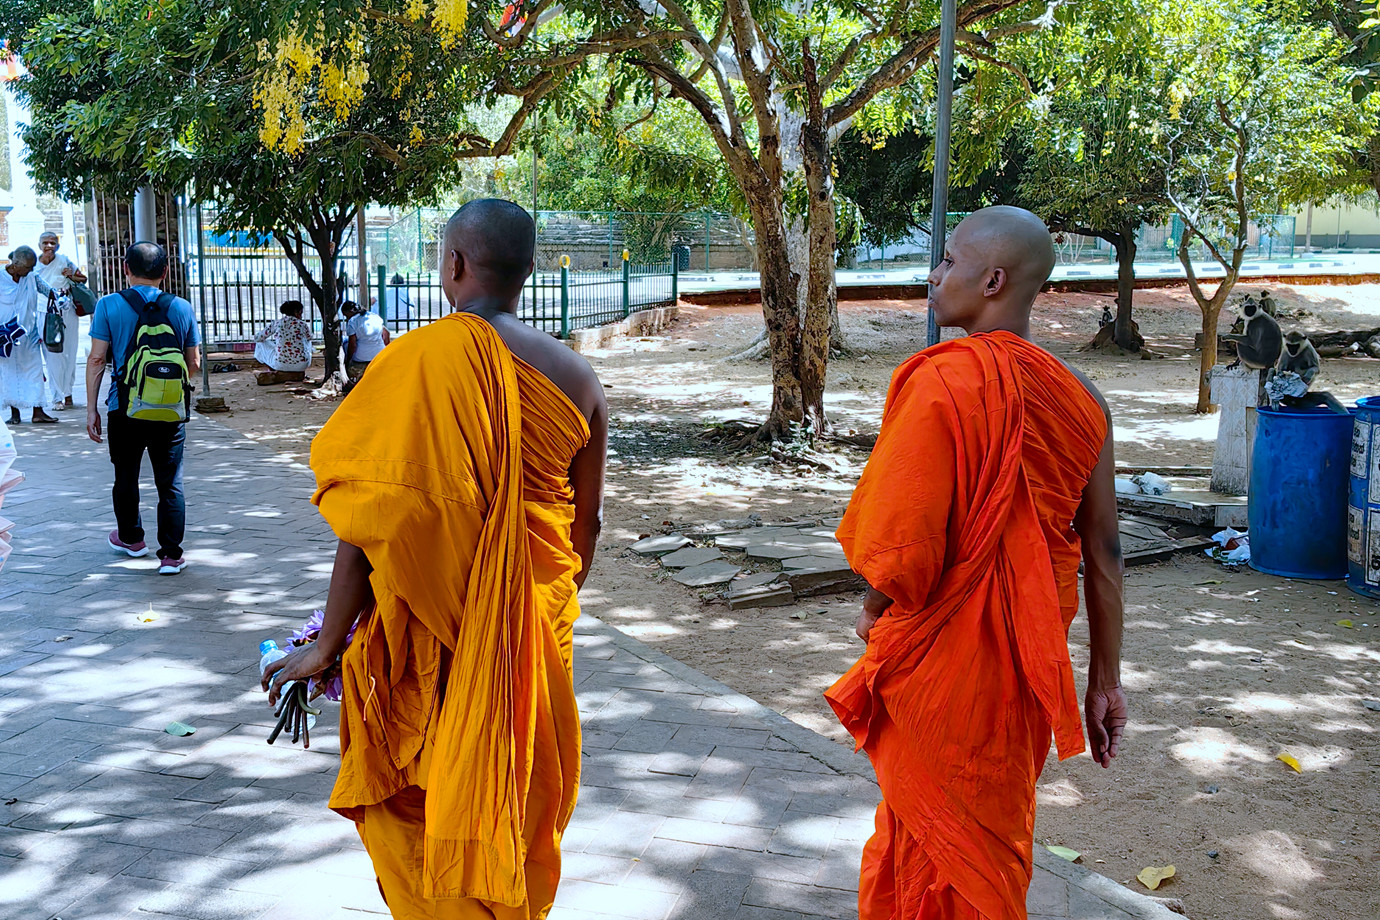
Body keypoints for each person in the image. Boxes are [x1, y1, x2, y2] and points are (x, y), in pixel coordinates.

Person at [263, 199, 607, 919]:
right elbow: (586, 530)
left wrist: (328, 645)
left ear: (452, 264)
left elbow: (366, 525)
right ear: (529, 271)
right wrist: (525, 608)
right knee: (514, 793)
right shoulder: (578, 379)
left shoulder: (411, 362)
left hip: (425, 629)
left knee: (416, 793)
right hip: (532, 634)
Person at [825, 206, 1126, 920]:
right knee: (981, 844)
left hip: (943, 663)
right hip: (1020, 665)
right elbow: (1105, 555)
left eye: (950, 261)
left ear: (992, 280)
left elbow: (898, 550)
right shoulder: (1085, 400)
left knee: (925, 840)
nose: (934, 275)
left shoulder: (940, 382)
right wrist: (1106, 681)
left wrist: (874, 612)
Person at [86, 242, 202, 575]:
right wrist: (165, 389)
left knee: (126, 475)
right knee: (170, 482)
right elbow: (192, 362)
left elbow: (97, 359)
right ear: (165, 272)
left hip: (123, 407)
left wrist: (91, 409)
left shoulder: (108, 305)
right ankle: (170, 555)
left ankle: (131, 539)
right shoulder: (181, 307)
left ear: (125, 268)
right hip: (170, 412)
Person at [0, 246, 58, 424]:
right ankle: (15, 414)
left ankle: (38, 412)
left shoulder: (32, 277)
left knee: (34, 372)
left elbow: (49, 292)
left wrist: (59, 296)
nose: (31, 270)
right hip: (5, 337)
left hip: (29, 335)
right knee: (9, 374)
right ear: (15, 264)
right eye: (28, 267)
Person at [37, 231, 88, 410]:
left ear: (58, 245)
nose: (49, 246)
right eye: (45, 243)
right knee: (52, 354)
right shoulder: (34, 266)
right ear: (39, 245)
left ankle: (68, 392)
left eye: (53, 242)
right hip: (45, 312)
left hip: (67, 310)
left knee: (70, 352)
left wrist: (70, 275)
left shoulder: (65, 260)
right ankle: (57, 396)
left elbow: (83, 278)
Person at [253, 300, 314, 385]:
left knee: (260, 343)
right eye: (301, 312)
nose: (301, 315)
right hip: (302, 364)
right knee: (308, 342)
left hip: (280, 364)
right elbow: (310, 337)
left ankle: (272, 370)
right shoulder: (303, 324)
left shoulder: (277, 323)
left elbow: (257, 338)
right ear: (297, 312)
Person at [341, 299, 389, 378]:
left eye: (346, 315)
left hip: (361, 357)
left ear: (350, 312)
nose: (346, 318)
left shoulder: (352, 321)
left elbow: (352, 345)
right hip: (379, 354)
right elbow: (386, 333)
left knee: (345, 344)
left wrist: (348, 360)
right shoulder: (374, 316)